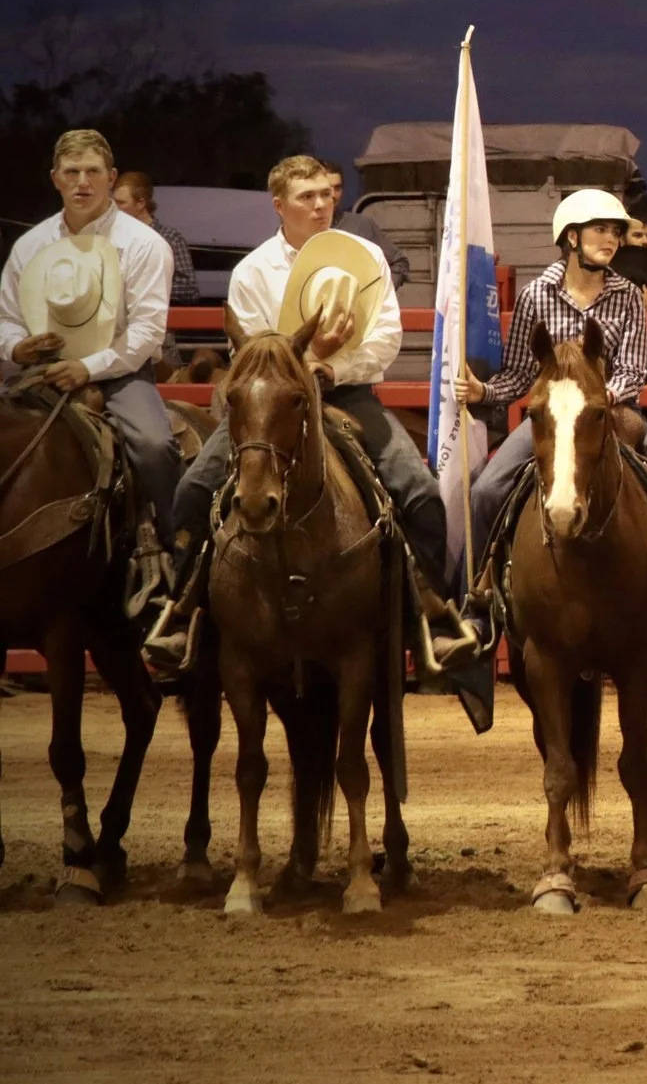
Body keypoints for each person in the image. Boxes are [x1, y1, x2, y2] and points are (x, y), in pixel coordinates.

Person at [143, 154, 474, 676]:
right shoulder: (254, 271)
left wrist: (328, 369)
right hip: (267, 406)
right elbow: (249, 353)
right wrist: (303, 363)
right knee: (192, 491)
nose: (322, 205)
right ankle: (184, 609)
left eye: (326, 194)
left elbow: (385, 338)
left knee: (419, 490)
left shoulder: (365, 257)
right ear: (280, 205)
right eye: (307, 197)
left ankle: (430, 610)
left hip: (348, 392)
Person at [456, 189, 647, 664]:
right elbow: (521, 373)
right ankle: (479, 603)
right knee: (485, 492)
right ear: (571, 237)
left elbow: (631, 369)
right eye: (601, 230)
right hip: (555, 418)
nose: (612, 239)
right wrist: (484, 393)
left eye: (616, 231)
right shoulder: (537, 294)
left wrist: (600, 398)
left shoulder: (627, 296)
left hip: (614, 413)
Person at [0, 128, 178, 614]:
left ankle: (173, 551)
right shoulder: (30, 245)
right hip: (39, 371)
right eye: (72, 173)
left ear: (111, 177)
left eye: (93, 172)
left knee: (153, 443)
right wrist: (18, 349)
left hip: (118, 372)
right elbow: (6, 319)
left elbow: (145, 334)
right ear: (55, 179)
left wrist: (88, 366)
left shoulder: (143, 245)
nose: (82, 182)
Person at [319, 161, 411, 289]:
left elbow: (399, 263)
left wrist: (378, 296)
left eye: (338, 188)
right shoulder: (298, 229)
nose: (333, 195)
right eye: (327, 189)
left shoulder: (360, 226)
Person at [111, 171, 197, 305]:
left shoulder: (170, 239)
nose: (114, 208)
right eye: (113, 202)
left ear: (140, 203)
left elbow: (188, 290)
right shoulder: (112, 238)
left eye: (121, 203)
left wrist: (141, 287)